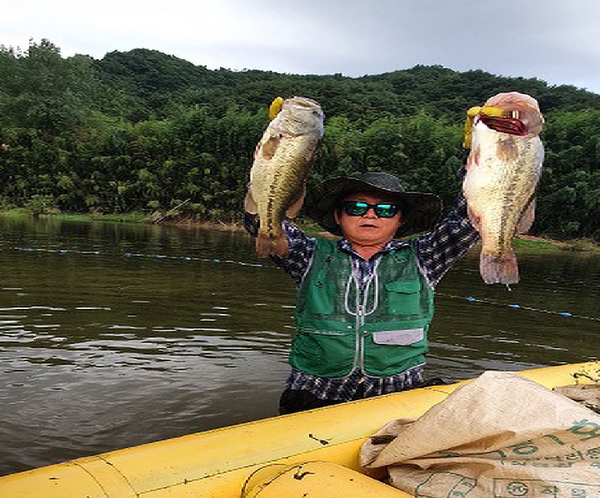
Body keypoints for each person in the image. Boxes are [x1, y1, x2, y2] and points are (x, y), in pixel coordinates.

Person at [245, 168, 479, 414]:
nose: (370, 215)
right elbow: (261, 220)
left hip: (396, 392)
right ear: (338, 216)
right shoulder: (308, 254)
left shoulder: (425, 256)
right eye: (356, 208)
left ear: (400, 220)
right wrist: (280, 162)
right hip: (315, 390)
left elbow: (468, 219)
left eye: (385, 210)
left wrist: (480, 154)